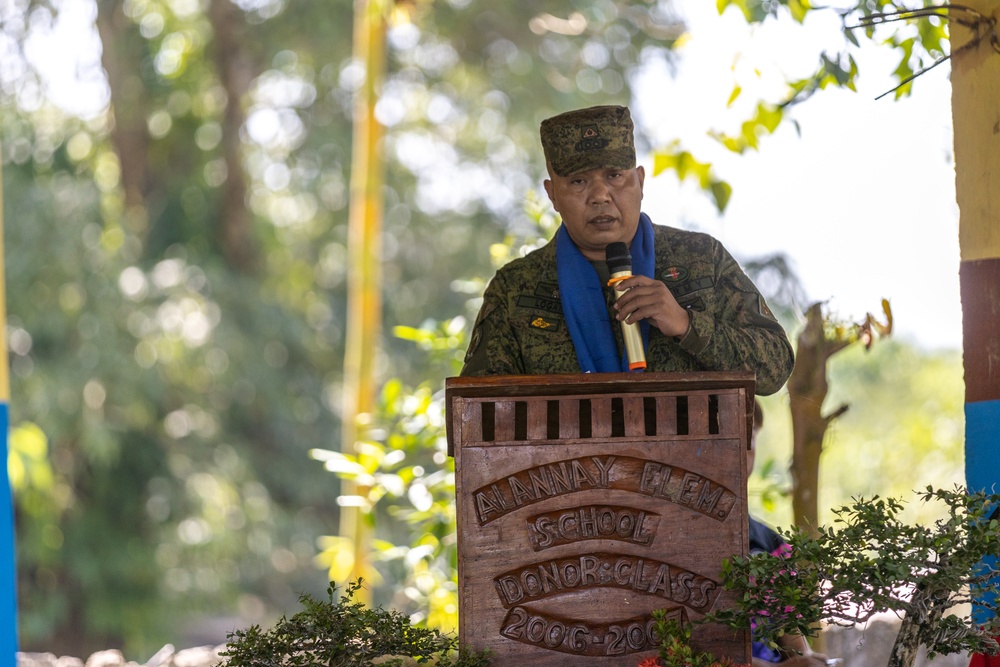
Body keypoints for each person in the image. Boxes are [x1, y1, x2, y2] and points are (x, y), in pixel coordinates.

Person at [461, 104, 793, 396]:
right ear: (552, 195)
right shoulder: (517, 288)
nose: (600, 195)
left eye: (615, 176)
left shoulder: (702, 259)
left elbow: (775, 366)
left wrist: (686, 324)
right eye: (579, 181)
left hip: (689, 465)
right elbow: (475, 414)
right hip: (564, 468)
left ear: (640, 181)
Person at [748, 399, 833, 666]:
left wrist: (808, 662)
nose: (744, 448)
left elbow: (795, 649)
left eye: (750, 437)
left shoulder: (770, 545)